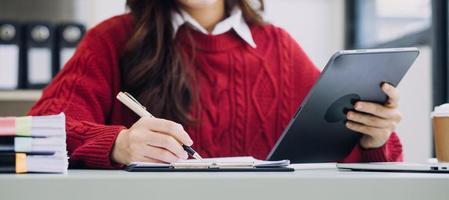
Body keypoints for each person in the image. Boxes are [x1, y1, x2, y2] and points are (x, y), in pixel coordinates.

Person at [29, 0, 403, 168]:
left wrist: (374, 139)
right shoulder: (112, 39)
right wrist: (117, 144)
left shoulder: (279, 48)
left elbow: (344, 160)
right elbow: (39, 133)